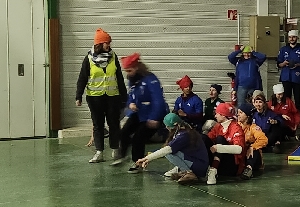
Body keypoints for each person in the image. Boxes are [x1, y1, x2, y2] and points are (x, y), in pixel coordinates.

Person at [75, 28, 125, 163]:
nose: (109, 45)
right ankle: (99, 152)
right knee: (98, 125)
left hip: (112, 96)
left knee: (114, 124)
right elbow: (82, 78)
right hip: (94, 97)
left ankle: (115, 149)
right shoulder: (89, 58)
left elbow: (119, 77)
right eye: (106, 43)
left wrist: (124, 96)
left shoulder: (113, 56)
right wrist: (78, 96)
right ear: (99, 44)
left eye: (109, 43)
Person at [116, 53, 169, 171]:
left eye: (129, 70)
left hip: (153, 114)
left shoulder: (151, 79)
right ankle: (122, 155)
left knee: (138, 138)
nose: (128, 73)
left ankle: (138, 163)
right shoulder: (133, 80)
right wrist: (130, 104)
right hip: (140, 113)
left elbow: (158, 100)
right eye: (126, 71)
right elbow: (131, 95)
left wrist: (154, 118)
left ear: (136, 68)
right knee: (124, 132)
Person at [134, 113, 210, 184]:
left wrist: (147, 158)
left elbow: (167, 150)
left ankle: (188, 172)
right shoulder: (185, 131)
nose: (167, 128)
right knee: (169, 151)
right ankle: (181, 169)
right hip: (198, 163)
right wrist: (148, 158)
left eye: (168, 126)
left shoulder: (184, 135)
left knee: (169, 153)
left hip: (199, 166)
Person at [205, 102, 246, 185]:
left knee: (220, 139)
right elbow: (208, 138)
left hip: (232, 166)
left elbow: (239, 149)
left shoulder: (236, 127)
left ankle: (213, 170)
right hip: (221, 163)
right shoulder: (218, 126)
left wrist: (218, 148)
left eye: (217, 113)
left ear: (223, 115)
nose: (215, 116)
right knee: (203, 138)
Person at [235, 104, 269, 180]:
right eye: (238, 112)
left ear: (247, 116)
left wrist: (252, 147)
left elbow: (264, 140)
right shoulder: (236, 126)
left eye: (241, 113)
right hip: (241, 155)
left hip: (253, 157)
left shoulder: (253, 127)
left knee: (253, 149)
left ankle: (248, 169)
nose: (238, 115)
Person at [275, 30, 300, 111]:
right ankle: (287, 116)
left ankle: (299, 117)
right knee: (286, 99)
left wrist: (298, 64)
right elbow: (278, 64)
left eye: (294, 37)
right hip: (286, 77)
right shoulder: (283, 49)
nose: (292, 39)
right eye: (290, 37)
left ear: (297, 38)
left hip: (297, 78)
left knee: (298, 99)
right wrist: (284, 63)